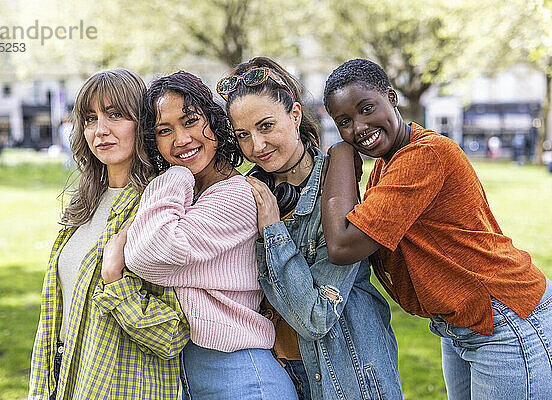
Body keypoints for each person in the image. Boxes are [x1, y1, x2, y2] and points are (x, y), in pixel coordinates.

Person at [321, 58, 552, 400]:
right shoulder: (386, 167)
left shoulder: (425, 156)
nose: (358, 128)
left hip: (502, 318)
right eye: (344, 123)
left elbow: (342, 246)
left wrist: (339, 156)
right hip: (459, 325)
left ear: (392, 97)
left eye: (367, 108)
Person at [220, 56, 403, 400]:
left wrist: (273, 231)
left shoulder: (337, 188)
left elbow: (315, 317)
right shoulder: (247, 193)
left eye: (266, 126)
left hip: (346, 373)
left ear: (294, 115)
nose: (256, 146)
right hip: (276, 375)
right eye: (243, 135)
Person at [118, 71, 297, 400]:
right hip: (189, 373)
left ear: (214, 121)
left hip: (242, 376)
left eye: (190, 121)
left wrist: (174, 173)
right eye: (164, 131)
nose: (181, 139)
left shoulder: (240, 196)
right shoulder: (193, 195)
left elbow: (147, 255)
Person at [28, 68, 189, 400]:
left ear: (141, 123)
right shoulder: (86, 202)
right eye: (90, 118)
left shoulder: (158, 206)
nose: (100, 130)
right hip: (65, 382)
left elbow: (174, 333)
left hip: (122, 387)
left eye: (115, 114)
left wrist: (115, 279)